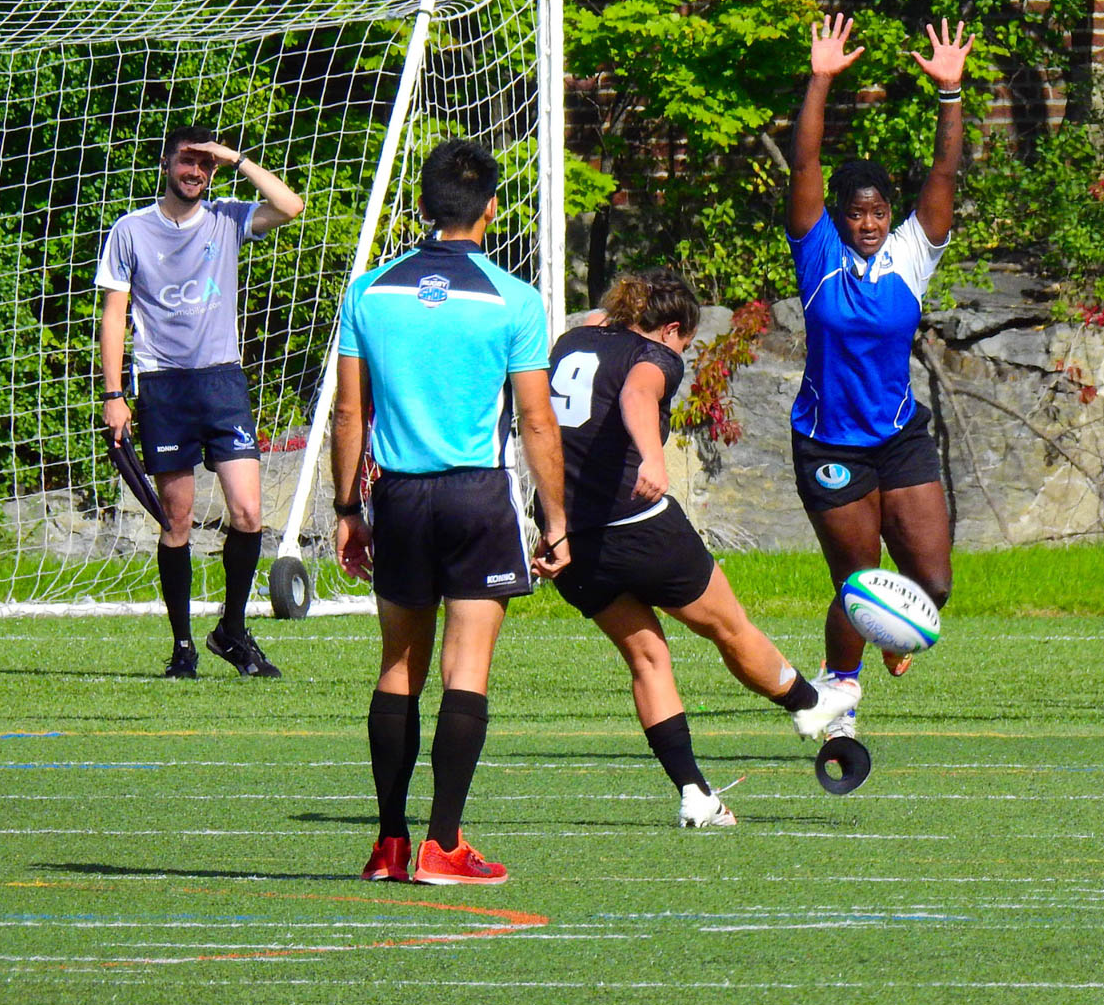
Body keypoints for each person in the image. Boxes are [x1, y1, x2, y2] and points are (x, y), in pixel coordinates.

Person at [330, 138, 569, 886]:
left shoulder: (370, 290)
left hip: (397, 497)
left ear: (423, 208)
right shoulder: (515, 299)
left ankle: (390, 844)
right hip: (475, 496)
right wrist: (557, 521)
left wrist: (347, 508)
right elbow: (536, 423)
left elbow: (347, 412)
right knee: (467, 668)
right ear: (492, 210)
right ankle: (443, 845)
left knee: (398, 667)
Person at [541, 270, 858, 828]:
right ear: (669, 329)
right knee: (729, 627)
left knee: (647, 659)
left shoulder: (574, 338)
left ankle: (695, 793)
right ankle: (809, 707)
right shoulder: (656, 355)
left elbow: (600, 323)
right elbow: (639, 391)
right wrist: (653, 457)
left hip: (568, 539)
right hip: (640, 529)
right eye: (683, 341)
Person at [785, 12, 973, 740]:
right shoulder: (817, 253)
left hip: (897, 436)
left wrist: (949, 94)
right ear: (838, 216)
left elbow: (945, 172)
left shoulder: (910, 255)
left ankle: (895, 637)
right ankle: (839, 704)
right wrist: (821, 80)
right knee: (859, 584)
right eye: (856, 212)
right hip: (829, 444)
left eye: (878, 212)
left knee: (935, 584)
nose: (868, 223)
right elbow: (804, 166)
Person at [98, 125, 305, 680]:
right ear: (166, 164)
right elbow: (114, 314)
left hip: (221, 381)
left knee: (248, 512)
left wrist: (234, 159)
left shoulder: (226, 217)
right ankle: (183, 646)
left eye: (203, 164)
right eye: (186, 162)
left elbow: (290, 206)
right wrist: (115, 393)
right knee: (178, 521)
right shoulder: (130, 230)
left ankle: (231, 631)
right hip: (164, 386)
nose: (195, 172)